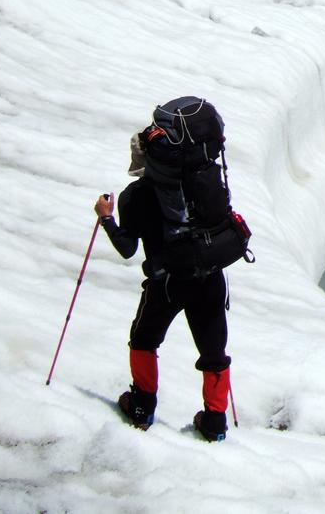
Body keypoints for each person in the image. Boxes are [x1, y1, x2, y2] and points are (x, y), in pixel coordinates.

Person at [93, 98, 234, 442]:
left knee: (144, 338)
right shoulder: (204, 180)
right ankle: (214, 422)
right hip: (210, 276)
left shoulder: (135, 197)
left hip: (166, 281)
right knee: (213, 351)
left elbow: (128, 248)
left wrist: (106, 218)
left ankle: (141, 406)